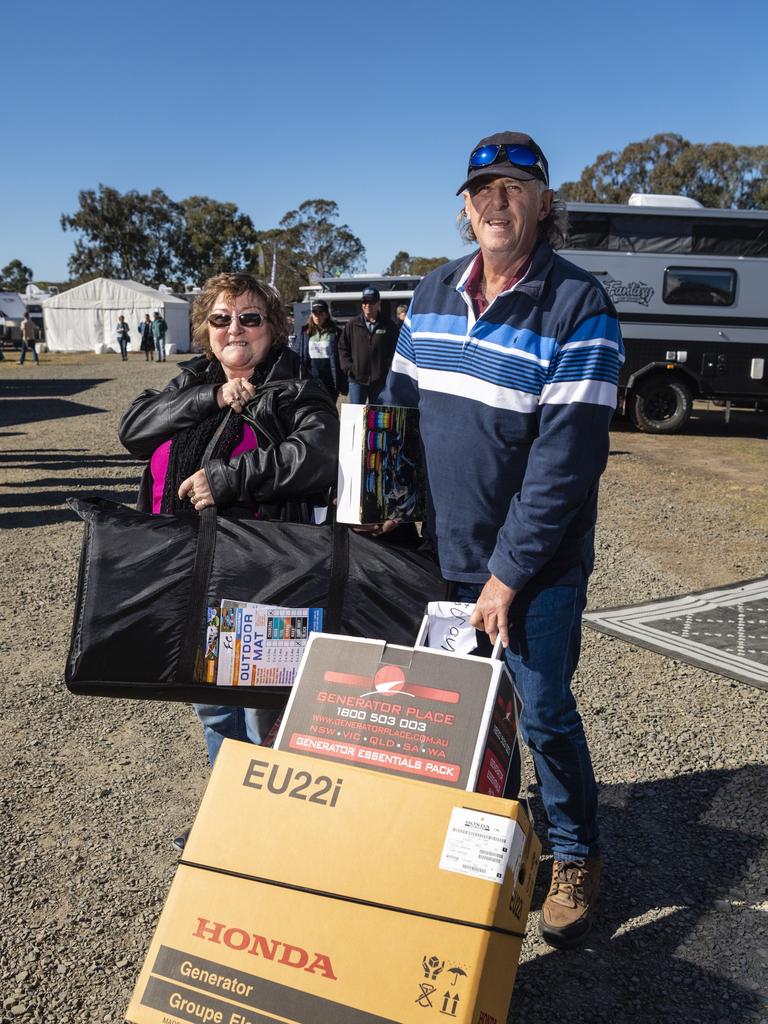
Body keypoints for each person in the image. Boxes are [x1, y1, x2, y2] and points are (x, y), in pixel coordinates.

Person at [381, 131, 624, 948]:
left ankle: (575, 852)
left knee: (544, 709)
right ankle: (500, 847)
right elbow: (398, 412)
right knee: (469, 717)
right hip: (442, 557)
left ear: (544, 203)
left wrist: (508, 575)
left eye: (515, 188)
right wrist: (385, 497)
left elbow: (567, 461)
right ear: (464, 205)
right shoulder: (431, 293)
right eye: (482, 188)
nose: (496, 200)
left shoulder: (578, 304)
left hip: (536, 567)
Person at [119, 272, 339, 784]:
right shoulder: (194, 381)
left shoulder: (294, 384)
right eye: (221, 318)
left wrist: (228, 478)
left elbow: (321, 452)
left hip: (265, 579)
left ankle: (274, 825)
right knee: (213, 708)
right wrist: (215, 397)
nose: (234, 328)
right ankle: (230, 813)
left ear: (274, 326)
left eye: (249, 317)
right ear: (205, 328)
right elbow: (133, 429)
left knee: (267, 710)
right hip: (188, 575)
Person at [338, 286, 398, 404]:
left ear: (378, 303)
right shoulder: (352, 324)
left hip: (380, 381)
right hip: (357, 380)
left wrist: (388, 370)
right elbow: (342, 348)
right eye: (365, 302)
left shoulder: (389, 325)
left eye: (371, 301)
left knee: (377, 417)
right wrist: (349, 368)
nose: (367, 305)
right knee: (356, 416)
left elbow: (395, 350)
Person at [295, 300, 346, 401]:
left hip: (330, 379)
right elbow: (297, 353)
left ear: (326, 314)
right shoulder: (304, 332)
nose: (317, 316)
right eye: (315, 313)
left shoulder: (336, 333)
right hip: (311, 379)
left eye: (320, 313)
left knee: (330, 407)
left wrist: (343, 382)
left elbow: (342, 356)